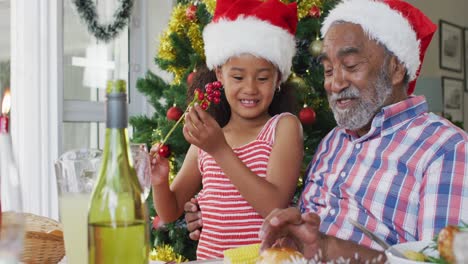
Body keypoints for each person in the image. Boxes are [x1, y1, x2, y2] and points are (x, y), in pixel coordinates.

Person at [185, 0, 468, 262]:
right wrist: (220, 211)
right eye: (329, 70)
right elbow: (305, 223)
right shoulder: (334, 142)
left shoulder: (445, 148)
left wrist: (331, 249)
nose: (335, 83)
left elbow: (443, 260)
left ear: (395, 69)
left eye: (350, 65)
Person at [150, 0, 303, 260]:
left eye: (263, 78)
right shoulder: (207, 138)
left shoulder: (283, 128)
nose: (251, 89)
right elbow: (171, 210)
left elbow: (274, 206)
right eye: (238, 77)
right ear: (220, 75)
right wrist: (159, 181)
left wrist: (220, 150)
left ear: (278, 78)